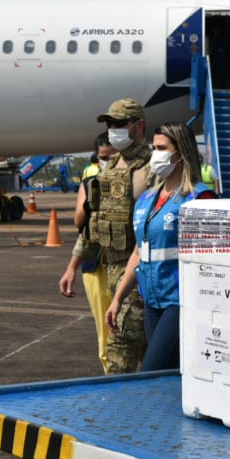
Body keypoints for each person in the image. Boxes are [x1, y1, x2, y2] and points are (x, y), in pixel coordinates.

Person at [105, 123, 216, 372]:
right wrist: (118, 299)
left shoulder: (199, 198)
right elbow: (138, 253)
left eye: (162, 148)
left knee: (151, 371)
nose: (156, 155)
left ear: (181, 153)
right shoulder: (146, 199)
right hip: (152, 301)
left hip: (181, 301)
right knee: (169, 374)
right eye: (154, 148)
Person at [58, 99, 151, 374]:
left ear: (139, 126)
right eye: (109, 124)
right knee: (138, 351)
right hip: (110, 269)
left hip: (138, 272)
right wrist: (72, 266)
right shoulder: (110, 167)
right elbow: (95, 221)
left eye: (119, 123)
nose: (112, 129)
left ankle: (118, 398)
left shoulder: (152, 166)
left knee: (119, 351)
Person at [73, 132, 115, 367]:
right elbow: (81, 226)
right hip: (96, 262)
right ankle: (109, 370)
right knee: (104, 328)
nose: (107, 162)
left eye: (112, 157)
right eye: (103, 158)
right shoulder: (90, 183)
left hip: (124, 263)